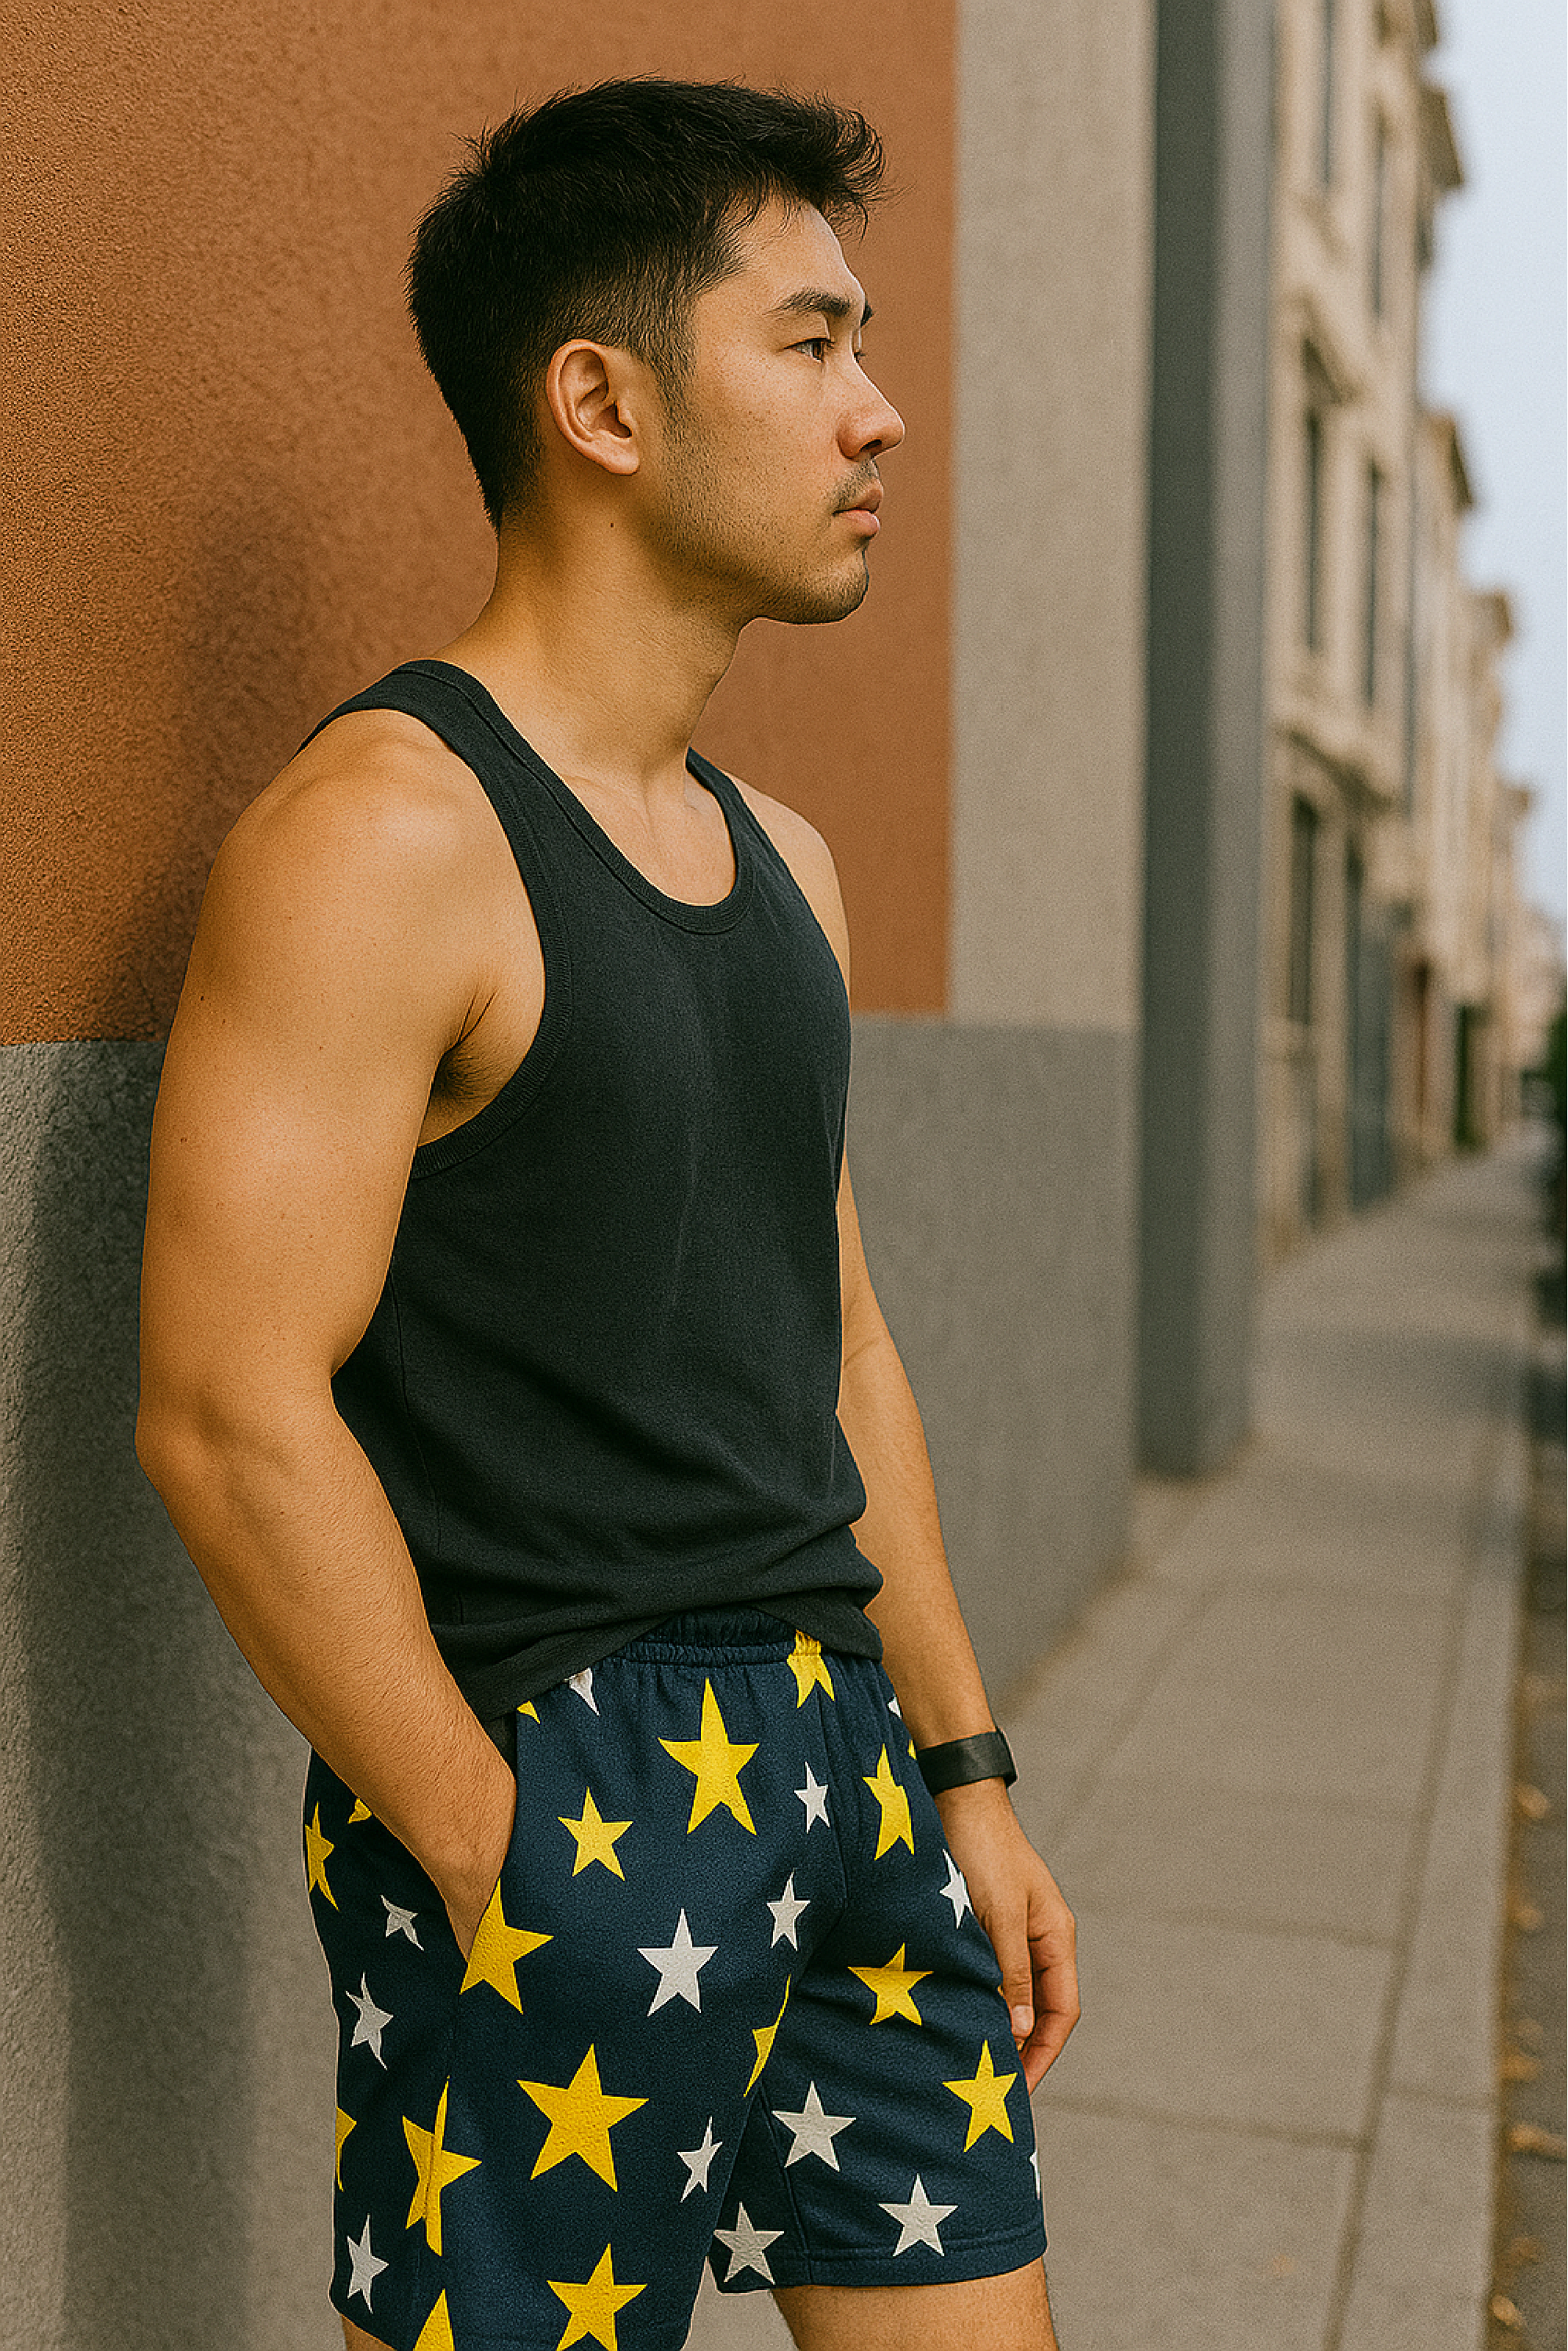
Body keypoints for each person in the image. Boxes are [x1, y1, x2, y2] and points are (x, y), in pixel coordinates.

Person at [136, 79, 1079, 2351]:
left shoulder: (791, 865)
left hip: (841, 1764)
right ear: (603, 401)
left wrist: (967, 1774)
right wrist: (492, 1841)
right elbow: (228, 1411)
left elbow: (840, 1350)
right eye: (812, 341)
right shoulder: (385, 836)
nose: (880, 408)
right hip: (568, 1779)